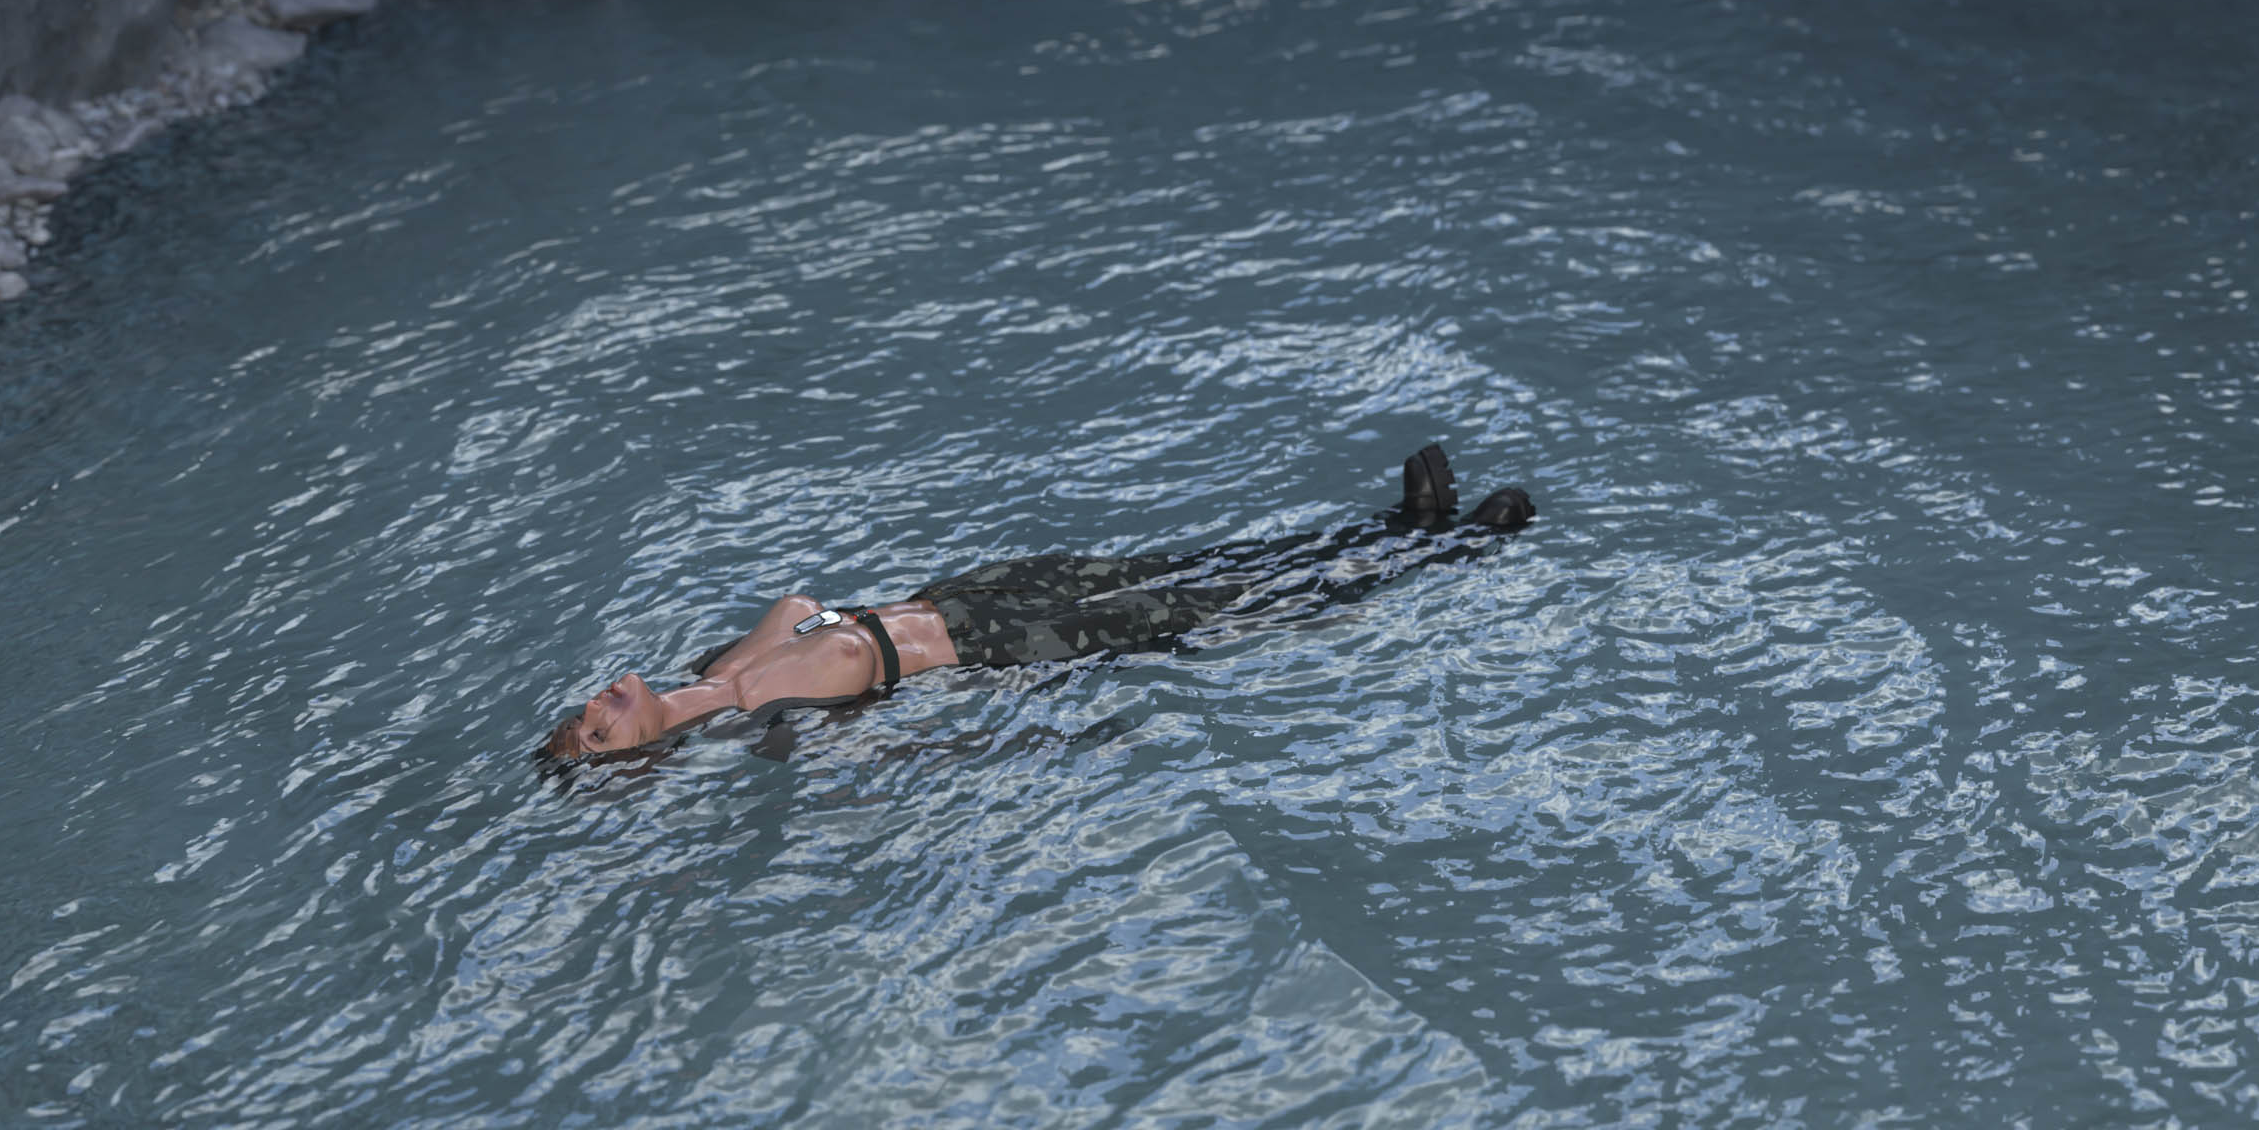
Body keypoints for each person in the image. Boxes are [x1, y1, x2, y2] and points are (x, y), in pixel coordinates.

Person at [539, 444, 1534, 764]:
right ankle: (1455, 547)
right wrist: (1043, 734)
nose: (597, 706)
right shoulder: (769, 729)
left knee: (1187, 563)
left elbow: (810, 615)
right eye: (595, 732)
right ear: (632, 762)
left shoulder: (719, 670)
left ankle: (1394, 526)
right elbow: (911, 746)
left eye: (582, 714)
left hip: (969, 593)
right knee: (1211, 605)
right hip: (1004, 642)